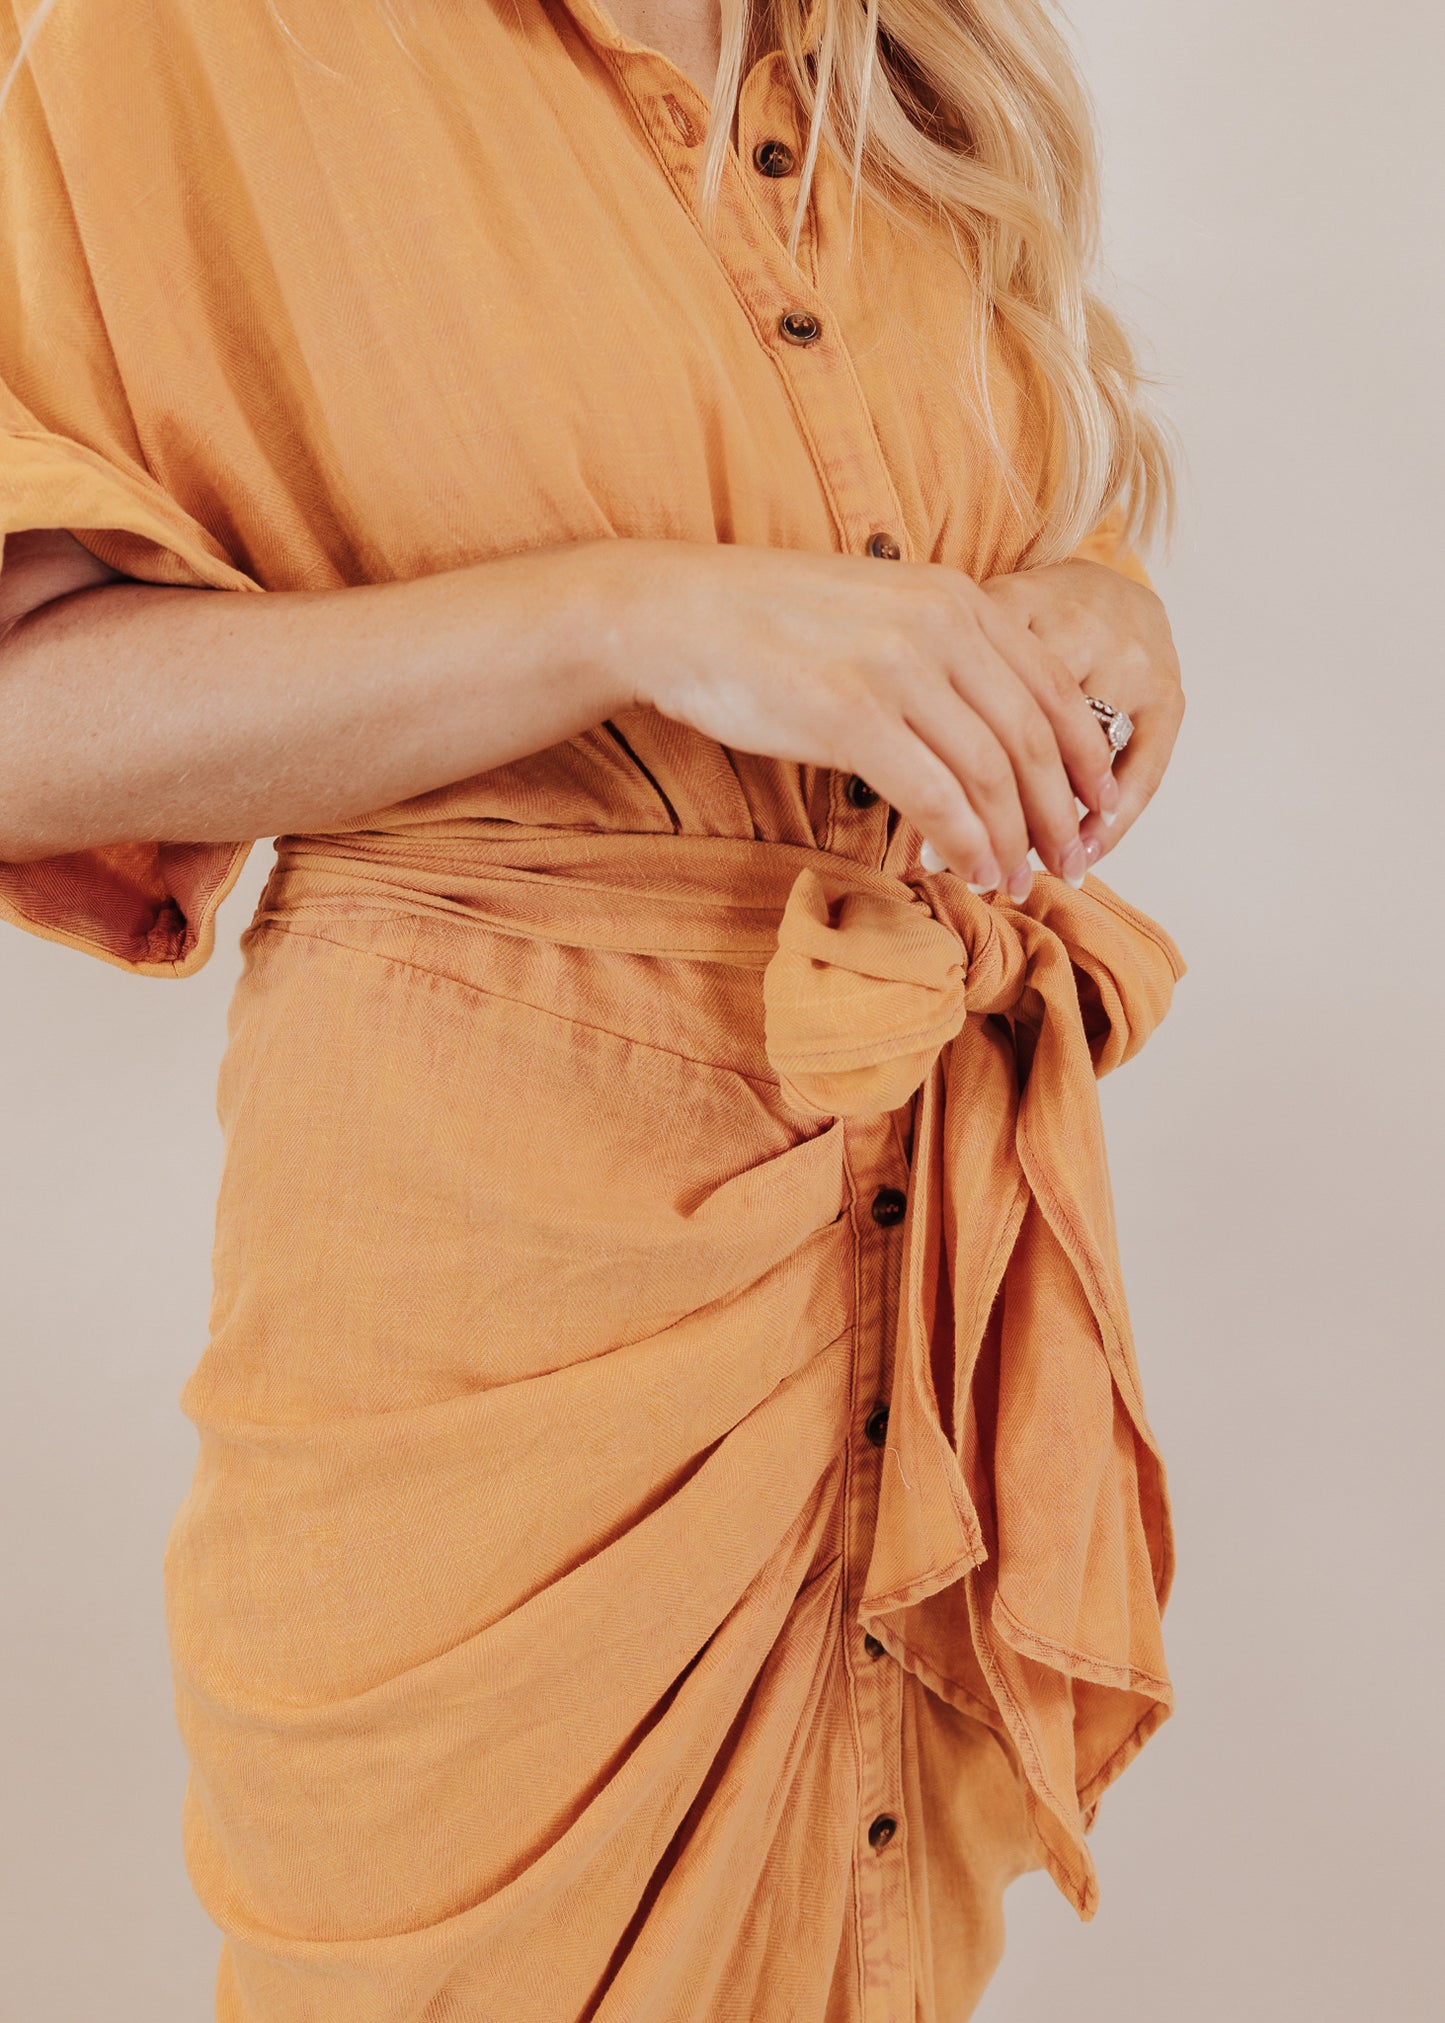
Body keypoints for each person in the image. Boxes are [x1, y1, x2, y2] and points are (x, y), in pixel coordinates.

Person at [0, 0, 1187, 2017]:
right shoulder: (158, 40)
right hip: (495, 1326)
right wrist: (625, 614)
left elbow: (945, 515)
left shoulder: (893, 53)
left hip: (913, 1238)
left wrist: (1096, 609)